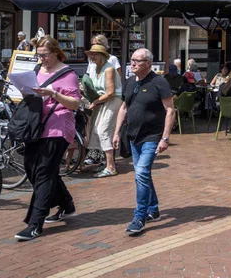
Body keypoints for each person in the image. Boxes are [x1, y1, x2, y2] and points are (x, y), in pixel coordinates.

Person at [15, 36, 81, 241]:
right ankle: (67, 204)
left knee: (43, 173)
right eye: (39, 55)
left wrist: (53, 94)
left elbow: (75, 104)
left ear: (55, 53)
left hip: (58, 127)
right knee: (33, 169)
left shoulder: (68, 74)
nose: (41, 58)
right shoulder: (36, 70)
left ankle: (35, 224)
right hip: (36, 126)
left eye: (45, 55)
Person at [113, 48, 175, 236]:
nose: (132, 64)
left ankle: (139, 216)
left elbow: (170, 110)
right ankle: (153, 209)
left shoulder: (159, 82)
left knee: (140, 172)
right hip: (134, 135)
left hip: (152, 136)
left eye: (137, 61)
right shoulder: (130, 81)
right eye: (131, 60)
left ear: (148, 63)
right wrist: (116, 132)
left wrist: (165, 137)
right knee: (143, 174)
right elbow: (124, 107)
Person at [85, 44, 122, 178]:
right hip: (101, 100)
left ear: (102, 56)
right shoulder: (94, 68)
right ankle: (105, 162)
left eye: (94, 54)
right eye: (90, 54)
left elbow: (111, 92)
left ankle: (111, 167)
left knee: (103, 130)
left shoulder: (109, 69)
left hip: (112, 100)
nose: (91, 57)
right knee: (96, 131)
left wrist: (95, 102)